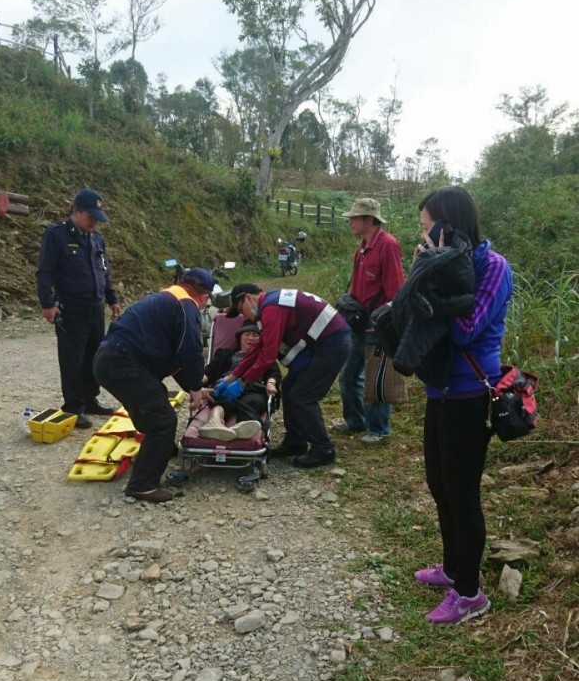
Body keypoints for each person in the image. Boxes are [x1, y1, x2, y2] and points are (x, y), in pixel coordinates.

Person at [410, 186, 513, 625]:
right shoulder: (443, 262)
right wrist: (428, 271)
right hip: (440, 391)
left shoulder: (491, 267)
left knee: (463, 493)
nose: (425, 237)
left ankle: (470, 594)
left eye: (428, 228)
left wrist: (435, 275)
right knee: (438, 483)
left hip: (471, 393)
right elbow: (413, 315)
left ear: (449, 226)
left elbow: (466, 328)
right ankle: (452, 569)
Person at [93, 268, 215, 503]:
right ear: (204, 296)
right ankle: (143, 485)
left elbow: (176, 359)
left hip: (108, 360)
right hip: (124, 362)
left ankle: (162, 451)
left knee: (155, 397)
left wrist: (194, 387)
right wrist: (195, 385)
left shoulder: (167, 297)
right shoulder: (186, 304)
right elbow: (190, 350)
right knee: (163, 419)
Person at [217, 283, 351, 468]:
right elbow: (260, 348)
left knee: (303, 395)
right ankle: (296, 441)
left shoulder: (272, 308)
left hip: (332, 344)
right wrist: (231, 378)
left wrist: (243, 382)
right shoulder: (270, 304)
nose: (243, 316)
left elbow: (268, 356)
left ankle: (323, 448)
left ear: (249, 298)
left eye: (241, 310)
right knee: (288, 388)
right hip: (322, 344)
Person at [36, 188, 121, 429]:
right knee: (72, 357)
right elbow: (45, 271)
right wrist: (47, 304)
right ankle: (73, 405)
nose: (94, 221)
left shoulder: (96, 238)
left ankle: (90, 398)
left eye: (97, 217)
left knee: (94, 355)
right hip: (71, 307)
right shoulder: (57, 234)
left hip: (95, 306)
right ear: (76, 210)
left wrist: (112, 299)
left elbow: (105, 272)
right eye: (90, 216)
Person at [336, 197, 404, 443]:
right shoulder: (362, 247)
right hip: (358, 321)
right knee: (349, 374)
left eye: (354, 218)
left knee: (376, 376)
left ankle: (378, 429)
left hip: (377, 323)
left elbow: (396, 290)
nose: (350, 222)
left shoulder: (387, 245)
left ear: (368, 219)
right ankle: (355, 421)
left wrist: (384, 322)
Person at [198, 321, 281, 441]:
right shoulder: (224, 354)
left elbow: (274, 372)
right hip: (226, 386)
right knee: (221, 402)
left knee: (251, 402)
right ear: (239, 336)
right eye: (247, 334)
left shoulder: (264, 356)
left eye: (256, 335)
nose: (251, 338)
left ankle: (243, 427)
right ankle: (213, 423)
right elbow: (209, 372)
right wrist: (196, 385)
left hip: (253, 388)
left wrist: (271, 383)